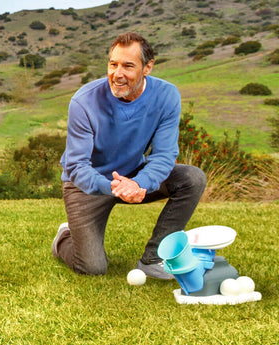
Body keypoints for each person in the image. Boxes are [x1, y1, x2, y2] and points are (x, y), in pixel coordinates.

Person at [52, 31, 206, 278]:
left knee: (192, 178)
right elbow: (77, 165)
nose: (117, 74)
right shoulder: (83, 102)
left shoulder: (166, 96)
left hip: (134, 175)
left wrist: (138, 183)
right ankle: (64, 238)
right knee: (92, 267)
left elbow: (165, 155)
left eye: (128, 66)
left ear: (147, 67)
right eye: (113, 64)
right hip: (87, 184)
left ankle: (153, 259)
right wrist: (115, 187)